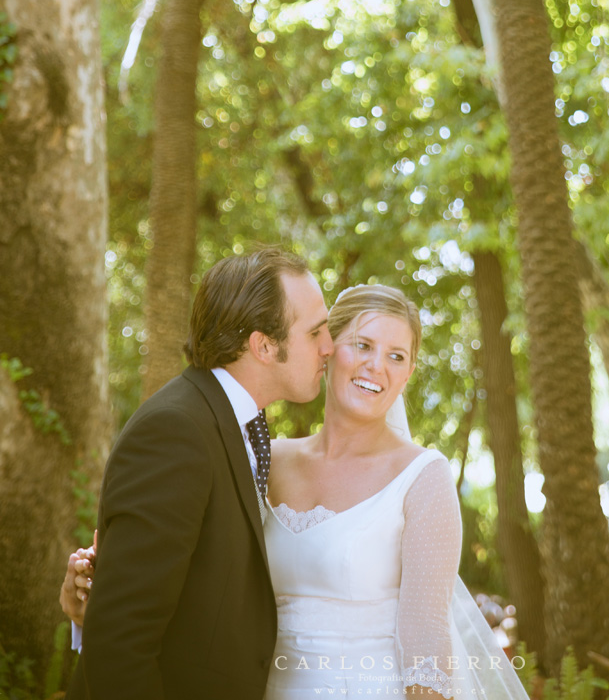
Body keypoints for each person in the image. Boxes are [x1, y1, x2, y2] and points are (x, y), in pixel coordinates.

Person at [64, 283, 529, 700]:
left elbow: (427, 650)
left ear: (408, 374)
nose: (377, 366)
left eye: (397, 355)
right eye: (362, 345)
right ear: (328, 351)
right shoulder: (264, 458)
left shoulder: (423, 477)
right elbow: (197, 576)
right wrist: (94, 601)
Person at [64, 245, 333, 700]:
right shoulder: (176, 432)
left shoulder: (242, 425)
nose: (331, 347)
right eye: (316, 333)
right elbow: (121, 639)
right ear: (264, 346)